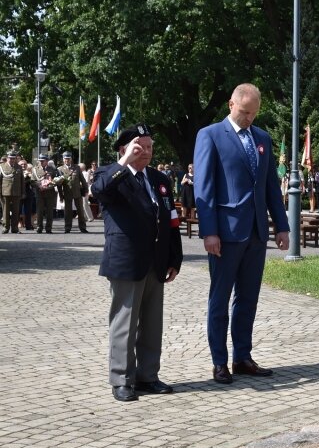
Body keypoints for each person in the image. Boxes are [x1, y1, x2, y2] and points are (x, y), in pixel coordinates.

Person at [194, 83, 290, 384]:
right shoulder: (209, 135)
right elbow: (204, 189)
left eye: (254, 113)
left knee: (248, 299)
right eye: (245, 112)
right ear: (231, 105)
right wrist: (209, 232)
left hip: (256, 233)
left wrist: (282, 226)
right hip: (225, 234)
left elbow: (271, 187)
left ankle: (242, 357)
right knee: (219, 300)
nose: (249, 118)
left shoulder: (262, 138)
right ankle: (219, 362)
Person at [91, 124, 183, 402]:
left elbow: (171, 220)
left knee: (152, 324)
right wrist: (124, 162)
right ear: (124, 149)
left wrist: (174, 259)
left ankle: (147, 376)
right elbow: (99, 190)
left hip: (156, 263)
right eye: (140, 146)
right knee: (125, 323)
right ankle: (121, 379)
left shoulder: (158, 179)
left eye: (150, 146)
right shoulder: (112, 175)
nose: (147, 151)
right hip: (127, 262)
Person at [57, 152, 89, 233]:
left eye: (68, 158)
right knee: (68, 212)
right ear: (63, 159)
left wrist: (86, 190)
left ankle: (82, 227)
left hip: (77, 192)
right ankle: (67, 227)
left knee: (80, 211)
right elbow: (59, 185)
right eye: (65, 159)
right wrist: (61, 196)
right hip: (67, 193)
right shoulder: (60, 169)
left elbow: (83, 180)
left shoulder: (77, 168)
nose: (66, 160)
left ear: (71, 159)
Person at [31, 154, 57, 233]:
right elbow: (32, 181)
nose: (41, 162)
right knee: (39, 211)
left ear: (47, 161)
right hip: (40, 193)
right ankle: (39, 227)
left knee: (49, 212)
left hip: (50, 193)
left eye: (43, 160)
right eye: (40, 160)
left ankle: (48, 228)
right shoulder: (35, 169)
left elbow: (55, 180)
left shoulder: (52, 169)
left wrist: (50, 186)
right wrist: (39, 186)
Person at [0, 150, 24, 234]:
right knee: (5, 211)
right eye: (10, 158)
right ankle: (5, 227)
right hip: (5, 192)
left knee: (16, 211)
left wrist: (23, 192)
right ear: (7, 158)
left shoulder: (19, 167)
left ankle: (14, 228)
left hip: (16, 192)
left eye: (13, 158)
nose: (12, 160)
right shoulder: (2, 166)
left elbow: (22, 181)